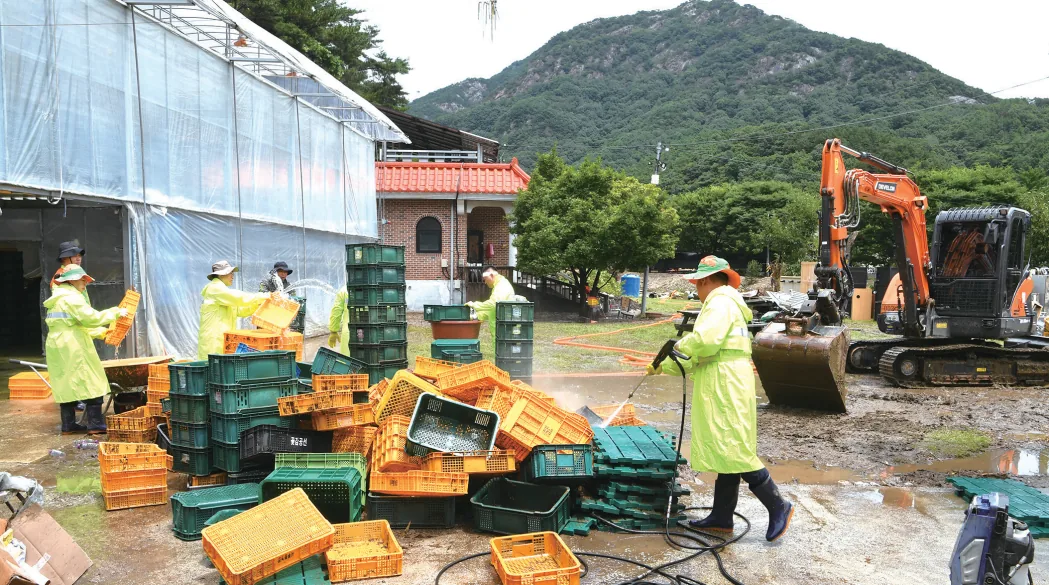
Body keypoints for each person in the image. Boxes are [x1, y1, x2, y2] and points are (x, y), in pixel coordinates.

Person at [646, 255, 794, 542]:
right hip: (722, 375)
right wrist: (663, 366)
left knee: (733, 446)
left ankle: (778, 505)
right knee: (727, 447)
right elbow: (705, 352)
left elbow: (704, 341)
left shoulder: (720, 301)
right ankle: (722, 517)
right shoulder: (727, 302)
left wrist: (677, 347)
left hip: (724, 381)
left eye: (697, 285)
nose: (697, 292)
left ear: (705, 280)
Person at [43, 265, 128, 435]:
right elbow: (91, 319)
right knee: (92, 380)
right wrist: (116, 312)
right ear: (72, 280)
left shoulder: (58, 299)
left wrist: (103, 333)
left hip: (57, 345)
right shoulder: (72, 298)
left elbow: (74, 325)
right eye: (82, 279)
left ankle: (68, 425)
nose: (85, 283)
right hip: (72, 345)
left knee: (65, 383)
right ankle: (95, 424)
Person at [198, 261, 267, 360]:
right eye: (230, 273)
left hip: (224, 340)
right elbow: (238, 298)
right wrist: (263, 296)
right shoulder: (214, 288)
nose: (232, 276)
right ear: (221, 274)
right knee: (212, 370)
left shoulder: (223, 295)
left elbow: (240, 310)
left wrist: (258, 305)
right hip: (213, 341)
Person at [466, 266, 516, 342]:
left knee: (503, 350)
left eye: (485, 279)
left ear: (492, 276)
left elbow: (492, 304)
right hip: (502, 325)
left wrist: (474, 305)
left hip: (504, 326)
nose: (485, 282)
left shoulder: (501, 286)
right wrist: (477, 316)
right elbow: (493, 310)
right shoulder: (499, 285)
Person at [327, 289, 350, 356]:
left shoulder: (344, 291)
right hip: (377, 334)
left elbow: (336, 312)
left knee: (347, 362)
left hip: (349, 333)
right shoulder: (379, 289)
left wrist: (333, 331)